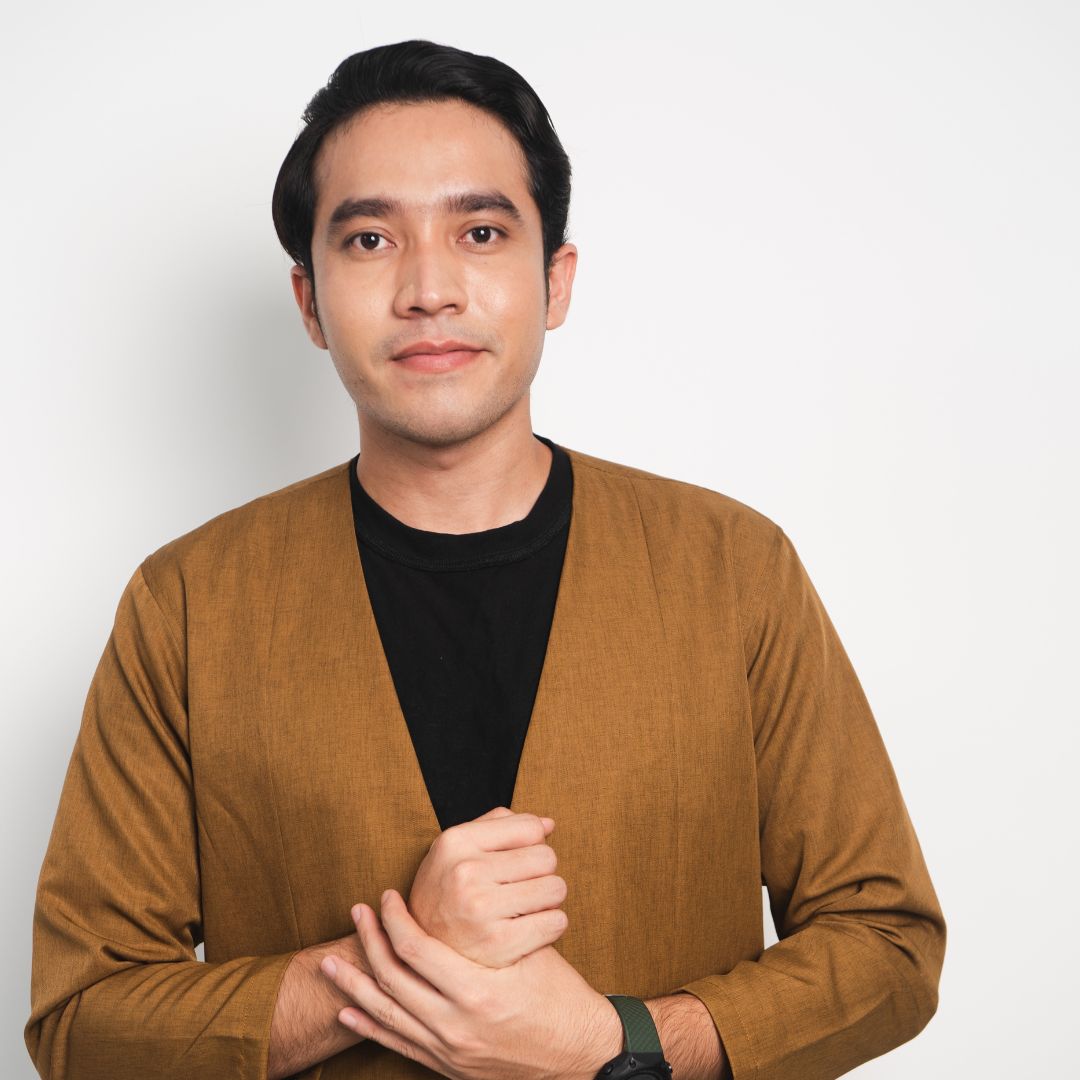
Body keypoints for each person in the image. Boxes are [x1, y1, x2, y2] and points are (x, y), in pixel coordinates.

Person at [24, 39, 946, 1080]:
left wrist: (618, 1045)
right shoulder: (188, 603)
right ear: (310, 302)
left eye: (480, 231)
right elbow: (83, 1019)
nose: (429, 288)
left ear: (555, 281)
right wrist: (399, 955)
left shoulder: (733, 569)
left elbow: (889, 946)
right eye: (370, 239)